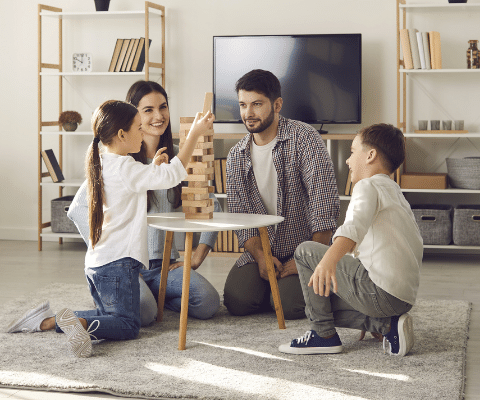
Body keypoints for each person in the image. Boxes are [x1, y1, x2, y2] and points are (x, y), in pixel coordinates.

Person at [7, 100, 215, 358]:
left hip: (97, 265)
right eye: (139, 128)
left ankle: (51, 320)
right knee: (129, 325)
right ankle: (69, 323)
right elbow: (174, 175)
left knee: (112, 316)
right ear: (121, 134)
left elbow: (130, 186)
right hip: (119, 266)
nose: (143, 133)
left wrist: (152, 169)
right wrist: (194, 133)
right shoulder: (127, 167)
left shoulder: (103, 163)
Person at [67, 81, 221, 325]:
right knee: (144, 314)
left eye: (163, 107)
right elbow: (77, 209)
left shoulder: (178, 156)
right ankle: (132, 300)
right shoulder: (120, 163)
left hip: (166, 267)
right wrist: (112, 255)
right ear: (130, 119)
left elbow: (211, 202)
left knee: (208, 302)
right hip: (128, 264)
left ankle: (156, 298)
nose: (158, 116)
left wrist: (198, 255)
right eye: (148, 110)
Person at [278, 123, 423, 356]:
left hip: (381, 293)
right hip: (401, 298)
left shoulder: (367, 186)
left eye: (353, 152)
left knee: (305, 251)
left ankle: (322, 335)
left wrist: (327, 260)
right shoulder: (394, 191)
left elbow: (352, 229)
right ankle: (387, 326)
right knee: (318, 302)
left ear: (371, 155)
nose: (347, 160)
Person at [224, 69, 340, 320]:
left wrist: (307, 260)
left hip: (305, 247)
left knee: (290, 307)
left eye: (257, 104)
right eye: (243, 105)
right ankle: (272, 287)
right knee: (237, 301)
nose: (248, 113)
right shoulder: (236, 155)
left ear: (277, 104)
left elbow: (324, 207)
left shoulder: (306, 138)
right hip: (263, 250)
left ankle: (318, 280)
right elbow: (240, 219)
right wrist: (262, 258)